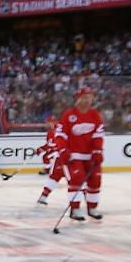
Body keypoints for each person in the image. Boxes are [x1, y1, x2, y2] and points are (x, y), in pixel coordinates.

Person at [55, 87, 106, 221]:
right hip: (73, 155)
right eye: (85, 97)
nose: (88, 100)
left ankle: (92, 208)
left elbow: (98, 135)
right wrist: (63, 150)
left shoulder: (95, 115)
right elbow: (60, 135)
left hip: (90, 156)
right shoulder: (68, 115)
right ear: (78, 98)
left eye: (90, 97)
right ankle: (75, 209)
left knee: (95, 180)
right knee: (76, 180)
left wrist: (98, 150)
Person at [36, 118, 68, 205]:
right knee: (74, 179)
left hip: (62, 158)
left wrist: (43, 149)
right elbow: (51, 145)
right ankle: (83, 199)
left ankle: (43, 196)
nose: (46, 124)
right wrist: (42, 149)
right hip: (64, 158)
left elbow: (53, 145)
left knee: (54, 177)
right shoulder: (53, 131)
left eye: (47, 122)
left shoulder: (56, 131)